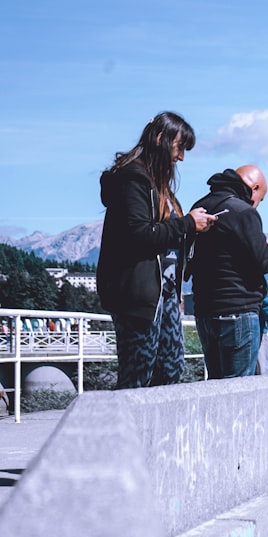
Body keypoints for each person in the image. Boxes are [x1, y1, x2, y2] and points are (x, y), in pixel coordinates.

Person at [96, 111, 215, 389]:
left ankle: (155, 431)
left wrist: (193, 230)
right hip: (139, 295)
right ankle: (125, 432)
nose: (181, 157)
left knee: (171, 369)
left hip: (165, 293)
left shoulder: (157, 184)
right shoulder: (133, 179)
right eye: (179, 147)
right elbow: (140, 235)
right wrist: (187, 224)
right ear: (160, 139)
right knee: (138, 375)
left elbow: (163, 237)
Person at [189, 165, 268, 379]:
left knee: (216, 384)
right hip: (239, 310)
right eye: (261, 198)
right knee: (239, 391)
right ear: (255, 187)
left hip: (205, 311)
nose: (258, 204)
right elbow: (264, 262)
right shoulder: (243, 212)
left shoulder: (201, 206)